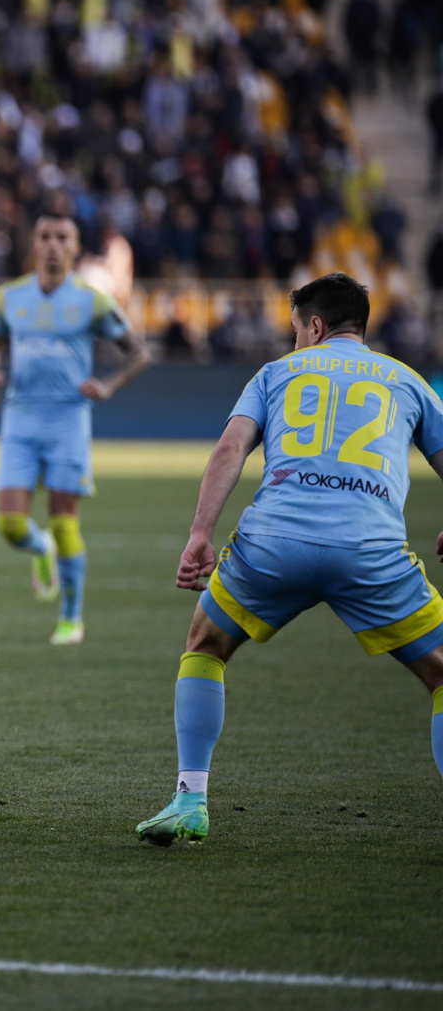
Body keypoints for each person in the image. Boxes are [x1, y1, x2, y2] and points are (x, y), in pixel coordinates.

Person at [137, 273, 443, 846]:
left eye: (297, 329)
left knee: (205, 644)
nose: (295, 339)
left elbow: (231, 448)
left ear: (316, 326)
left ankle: (190, 799)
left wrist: (200, 533)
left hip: (273, 543)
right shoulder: (406, 379)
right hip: (370, 548)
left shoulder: (276, 373)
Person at [0, 215, 150, 645]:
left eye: (62, 238)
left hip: (68, 420)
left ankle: (71, 619)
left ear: (75, 248)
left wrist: (108, 386)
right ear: (34, 244)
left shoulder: (92, 300)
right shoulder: (10, 296)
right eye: (45, 237)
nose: (53, 245)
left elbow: (138, 353)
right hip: (20, 418)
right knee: (10, 524)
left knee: (65, 522)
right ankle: (42, 549)